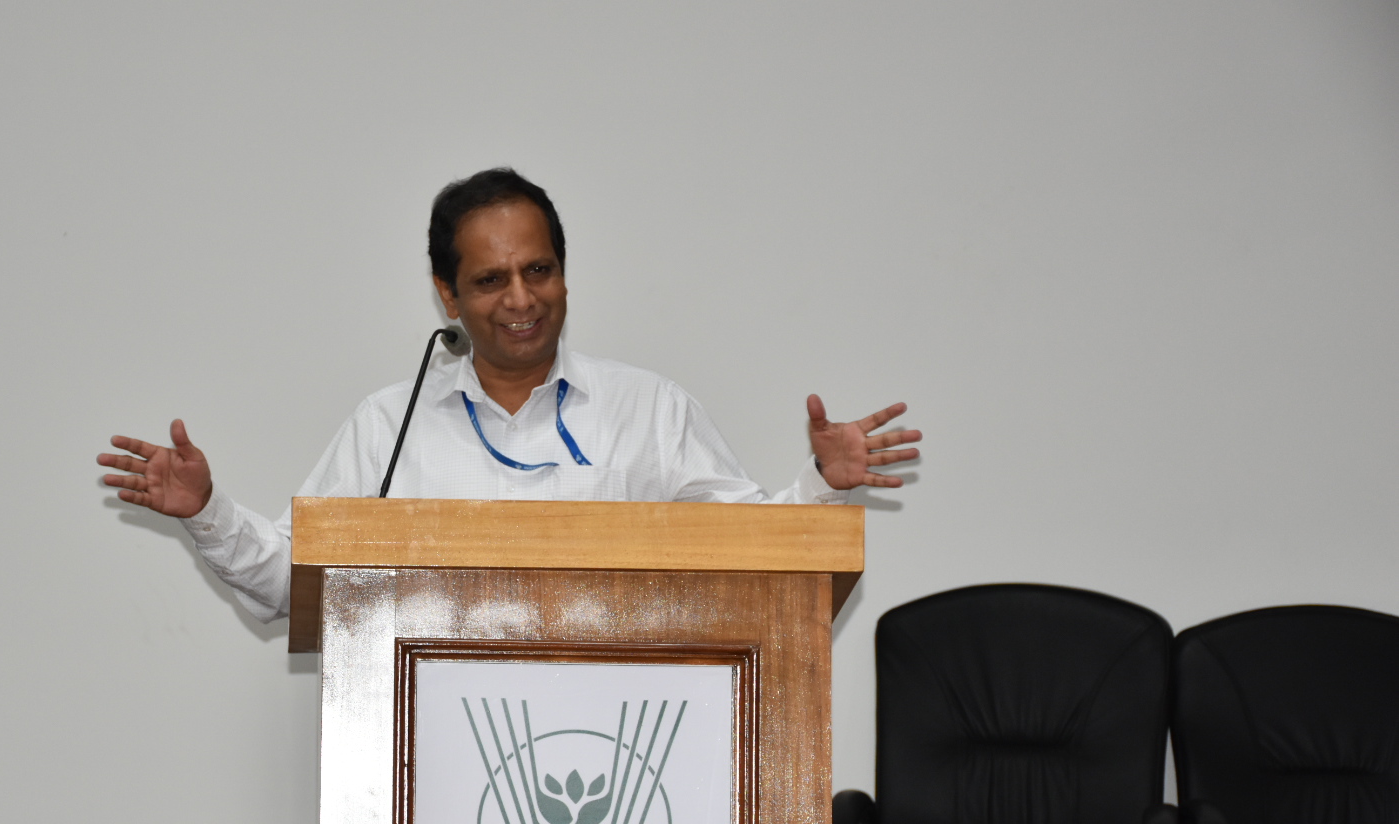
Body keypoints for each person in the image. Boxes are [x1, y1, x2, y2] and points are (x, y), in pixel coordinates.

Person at [97, 169, 922, 623]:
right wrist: (207, 511)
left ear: (564, 273)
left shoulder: (650, 411)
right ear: (447, 296)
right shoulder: (389, 427)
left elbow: (757, 559)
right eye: (491, 280)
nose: (522, 299)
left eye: (539, 270)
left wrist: (822, 485)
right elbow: (290, 583)